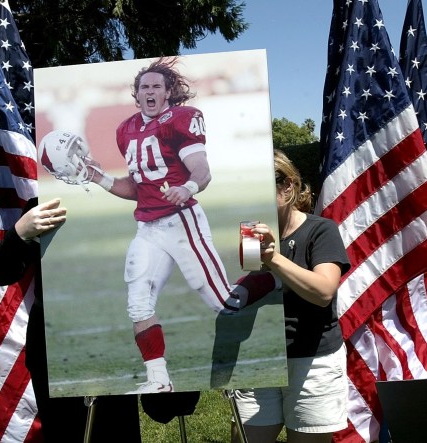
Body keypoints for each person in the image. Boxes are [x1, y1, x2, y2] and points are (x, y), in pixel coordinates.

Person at [82, 56, 277, 394]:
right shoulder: (125, 130)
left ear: (169, 91)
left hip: (181, 221)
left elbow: (201, 168)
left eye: (157, 85)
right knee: (138, 303)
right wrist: (98, 177)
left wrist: (187, 187)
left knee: (225, 303)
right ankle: (159, 381)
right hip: (147, 229)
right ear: (136, 94)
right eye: (145, 87)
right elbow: (137, 188)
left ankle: (276, 280)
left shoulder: (182, 119)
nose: (151, 91)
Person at [0, 197, 142, 441]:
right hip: (54, 349)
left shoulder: (123, 201)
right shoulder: (45, 205)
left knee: (117, 430)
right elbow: (3, 272)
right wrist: (20, 233)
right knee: (66, 432)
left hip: (113, 342)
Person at [231, 150, 351, 443]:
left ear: (289, 185)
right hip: (259, 360)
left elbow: (323, 292)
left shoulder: (320, 230)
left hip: (313, 362)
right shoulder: (247, 234)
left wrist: (275, 258)